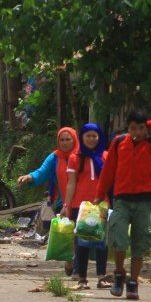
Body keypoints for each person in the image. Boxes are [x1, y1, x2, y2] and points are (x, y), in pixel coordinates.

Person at [94, 111, 151, 301]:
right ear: (127, 129)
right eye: (133, 128)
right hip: (121, 199)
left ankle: (133, 282)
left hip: (144, 201)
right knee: (119, 237)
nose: (137, 132)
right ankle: (119, 274)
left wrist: (146, 124)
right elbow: (109, 170)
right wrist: (99, 194)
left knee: (140, 241)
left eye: (140, 128)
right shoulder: (119, 143)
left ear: (146, 128)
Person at [17, 127, 78, 273]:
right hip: (62, 202)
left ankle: (76, 263)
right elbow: (42, 172)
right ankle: (71, 261)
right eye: (61, 140)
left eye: (68, 139)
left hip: (81, 201)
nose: (64, 143)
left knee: (79, 232)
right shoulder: (54, 157)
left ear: (74, 139)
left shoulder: (81, 155)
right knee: (68, 232)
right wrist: (29, 177)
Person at [61, 123, 109, 290]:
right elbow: (71, 183)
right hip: (80, 206)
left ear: (99, 137)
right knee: (81, 243)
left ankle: (102, 277)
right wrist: (67, 205)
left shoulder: (106, 157)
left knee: (102, 242)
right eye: (88, 136)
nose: (91, 139)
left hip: (101, 205)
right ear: (81, 137)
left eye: (94, 136)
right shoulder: (75, 158)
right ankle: (82, 278)